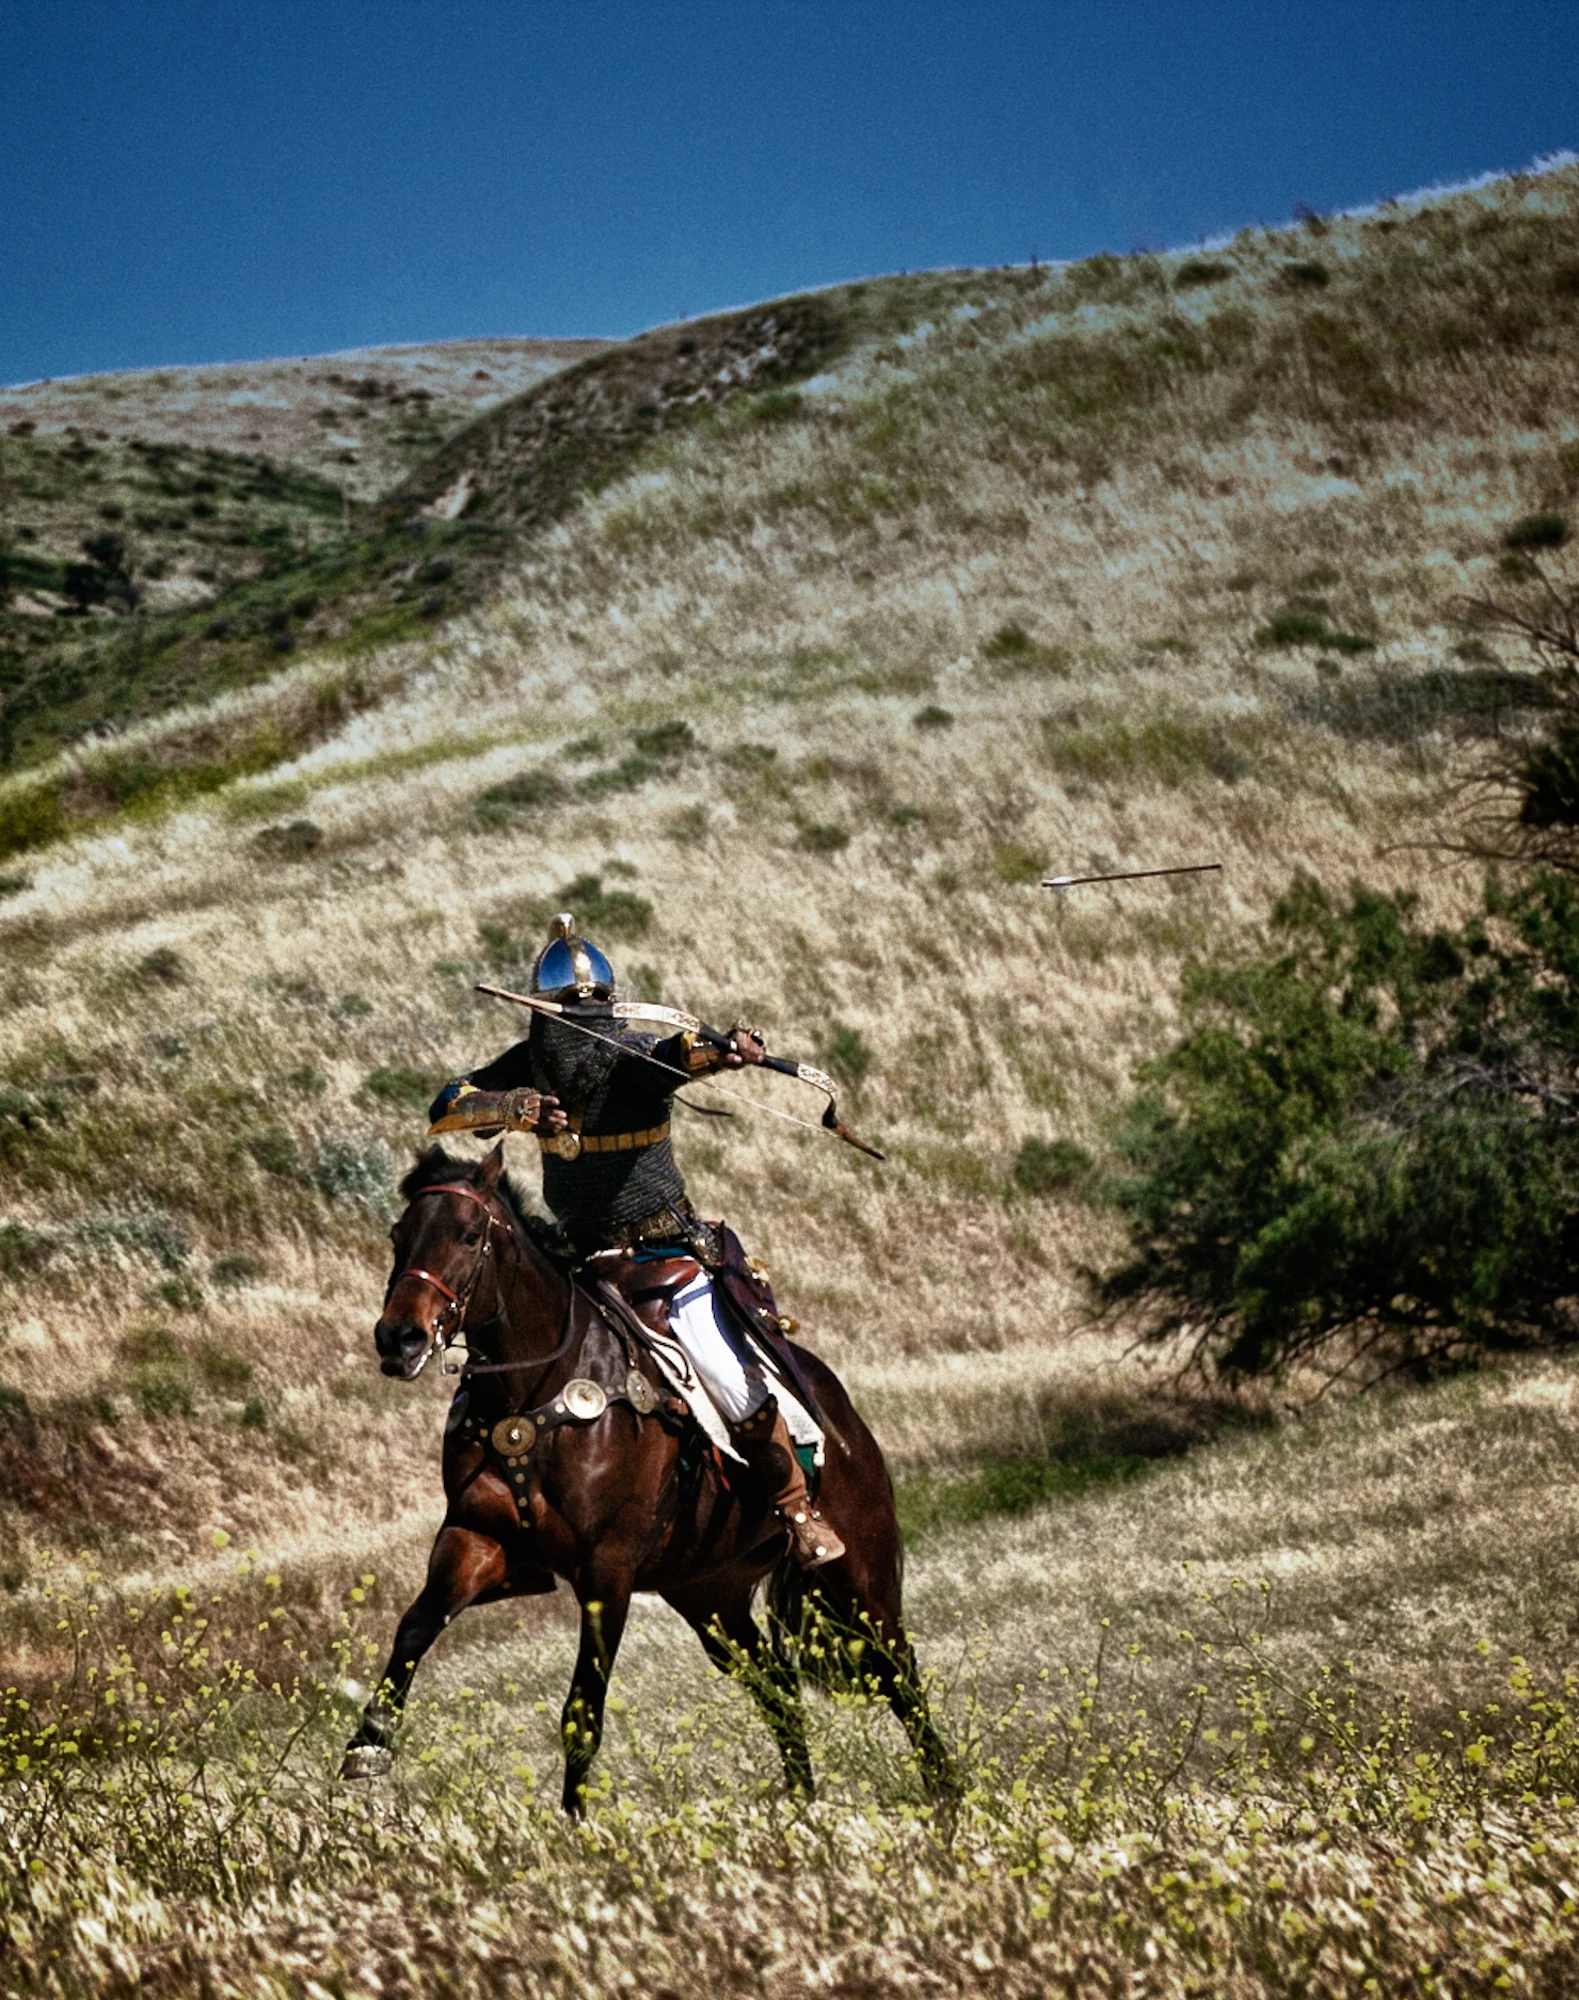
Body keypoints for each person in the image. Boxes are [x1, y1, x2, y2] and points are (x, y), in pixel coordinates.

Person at [427, 912, 845, 1568]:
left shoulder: (633, 1058)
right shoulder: (530, 1064)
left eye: (587, 1014)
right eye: (565, 1013)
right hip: (580, 1262)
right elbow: (448, 1102)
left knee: (726, 1377)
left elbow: (679, 1055)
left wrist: (727, 1048)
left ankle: (796, 1509)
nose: (575, 1034)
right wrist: (513, 1108)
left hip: (662, 1256)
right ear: (540, 1013)